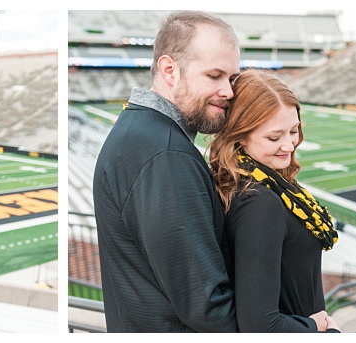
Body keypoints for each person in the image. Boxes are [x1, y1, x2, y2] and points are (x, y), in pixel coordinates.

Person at [92, 10, 242, 332]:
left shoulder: (139, 129)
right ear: (169, 70)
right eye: (214, 76)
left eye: (232, 78)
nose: (229, 91)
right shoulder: (167, 154)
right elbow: (205, 304)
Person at [208, 69, 341, 332]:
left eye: (293, 130)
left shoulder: (264, 181)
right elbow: (260, 325)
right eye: (274, 137)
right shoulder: (259, 202)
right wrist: (320, 331)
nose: (289, 145)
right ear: (240, 135)